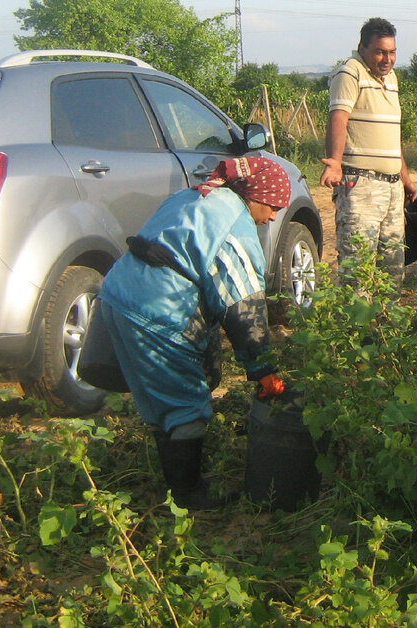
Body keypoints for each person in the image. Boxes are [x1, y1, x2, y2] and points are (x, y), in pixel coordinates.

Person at [96, 155, 292, 509]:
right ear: (255, 196)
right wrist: (263, 370)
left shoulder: (196, 196)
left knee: (159, 401)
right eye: (273, 206)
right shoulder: (235, 225)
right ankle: (188, 495)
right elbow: (243, 307)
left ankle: (173, 475)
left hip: (116, 296)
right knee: (186, 407)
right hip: (160, 313)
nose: (274, 216)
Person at [320, 17, 417, 291]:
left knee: (394, 267)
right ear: (362, 48)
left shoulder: (391, 79)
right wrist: (335, 163)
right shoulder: (350, 73)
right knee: (358, 270)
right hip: (361, 185)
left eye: (392, 52)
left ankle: (390, 332)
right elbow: (338, 118)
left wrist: (406, 178)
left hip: (392, 187)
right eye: (380, 51)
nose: (387, 59)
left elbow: (391, 136)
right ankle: (358, 332)